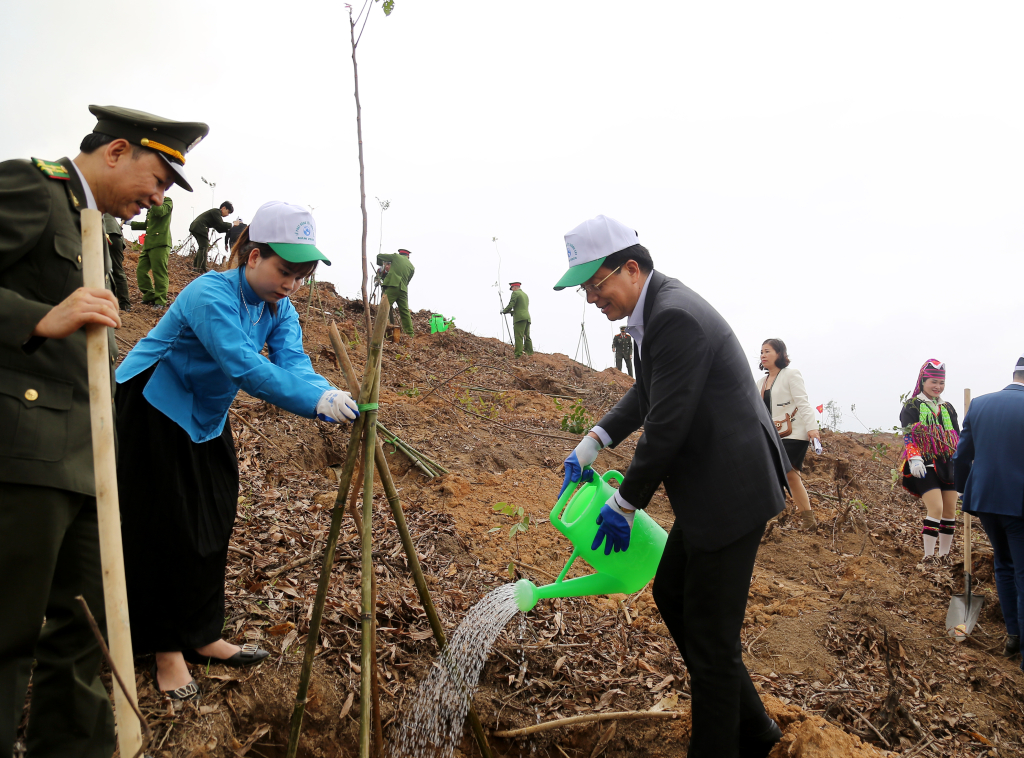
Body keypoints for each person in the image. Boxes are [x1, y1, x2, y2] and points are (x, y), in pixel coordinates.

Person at [0, 104, 207, 757]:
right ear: (117, 151)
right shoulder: (31, 187)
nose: (159, 196)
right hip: (23, 451)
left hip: (91, 461)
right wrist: (39, 317)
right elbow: (51, 317)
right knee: (7, 633)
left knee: (87, 636)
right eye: (160, 178)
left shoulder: (106, 233)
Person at [554, 215, 788, 758]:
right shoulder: (655, 311)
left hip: (732, 492)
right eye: (585, 289)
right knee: (672, 592)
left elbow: (668, 422)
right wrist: (595, 438)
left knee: (711, 639)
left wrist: (626, 501)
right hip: (712, 491)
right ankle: (756, 730)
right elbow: (646, 394)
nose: (592, 297)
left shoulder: (675, 317)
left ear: (631, 269)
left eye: (596, 284)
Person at [115, 201, 359, 700]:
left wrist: (328, 392)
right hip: (154, 401)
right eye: (283, 270)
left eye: (300, 275)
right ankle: (164, 648)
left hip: (204, 413)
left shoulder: (278, 308)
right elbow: (245, 367)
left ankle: (202, 634)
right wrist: (314, 402)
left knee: (216, 514)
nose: (290, 284)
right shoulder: (210, 294)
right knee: (165, 522)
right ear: (251, 256)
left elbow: (293, 361)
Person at [954, 354, 1024, 661]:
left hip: (985, 501)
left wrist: (962, 488)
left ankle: (1014, 636)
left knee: (1004, 567)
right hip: (1019, 505)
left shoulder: (979, 404)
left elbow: (961, 456)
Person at [899, 359, 960, 564]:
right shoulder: (912, 405)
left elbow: (958, 437)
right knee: (936, 508)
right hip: (923, 463)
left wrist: (963, 464)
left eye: (941, 383)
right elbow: (908, 434)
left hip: (947, 463)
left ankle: (944, 556)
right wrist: (914, 458)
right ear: (923, 380)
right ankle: (928, 556)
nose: (938, 387)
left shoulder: (948, 408)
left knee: (950, 510)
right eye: (933, 382)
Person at [757, 339, 820, 530]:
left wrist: (812, 428)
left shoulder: (791, 374)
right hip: (771, 435)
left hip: (794, 432)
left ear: (779, 354)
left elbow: (803, 402)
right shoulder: (760, 382)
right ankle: (778, 515)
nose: (763, 355)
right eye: (761, 352)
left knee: (789, 474)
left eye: (767, 351)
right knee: (787, 477)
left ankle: (806, 521)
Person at [130, 196, 174, 309]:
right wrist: (131, 224)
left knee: (159, 272)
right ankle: (150, 295)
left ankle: (160, 300)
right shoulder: (152, 207)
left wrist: (153, 200)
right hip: (149, 244)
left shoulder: (167, 201)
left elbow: (160, 212)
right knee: (141, 270)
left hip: (160, 243)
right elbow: (148, 225)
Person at [376, 248, 416, 336]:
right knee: (405, 312)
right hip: (403, 290)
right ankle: (410, 334)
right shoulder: (412, 267)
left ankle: (379, 330)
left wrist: (381, 265)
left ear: (400, 254)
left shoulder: (396, 257)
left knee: (384, 307)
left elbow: (379, 256)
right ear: (408, 256)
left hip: (393, 286)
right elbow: (407, 280)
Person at [190, 201, 234, 272]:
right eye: (228, 212)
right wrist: (232, 225)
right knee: (204, 247)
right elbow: (221, 224)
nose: (228, 214)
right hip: (200, 227)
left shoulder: (215, 216)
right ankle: (201, 269)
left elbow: (219, 229)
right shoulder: (216, 212)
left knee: (202, 247)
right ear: (223, 208)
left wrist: (230, 230)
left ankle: (196, 267)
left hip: (196, 227)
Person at [103, 213, 132, 310]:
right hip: (115, 235)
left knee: (115, 270)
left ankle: (124, 304)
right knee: (117, 270)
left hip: (108, 234)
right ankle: (124, 304)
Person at [501, 281, 533, 357]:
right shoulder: (525, 295)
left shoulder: (515, 293)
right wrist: (511, 312)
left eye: (512, 288)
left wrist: (504, 311)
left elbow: (512, 304)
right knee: (527, 336)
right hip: (527, 317)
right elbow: (520, 308)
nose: (512, 290)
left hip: (519, 318)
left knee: (518, 336)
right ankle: (530, 352)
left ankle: (518, 354)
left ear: (515, 287)